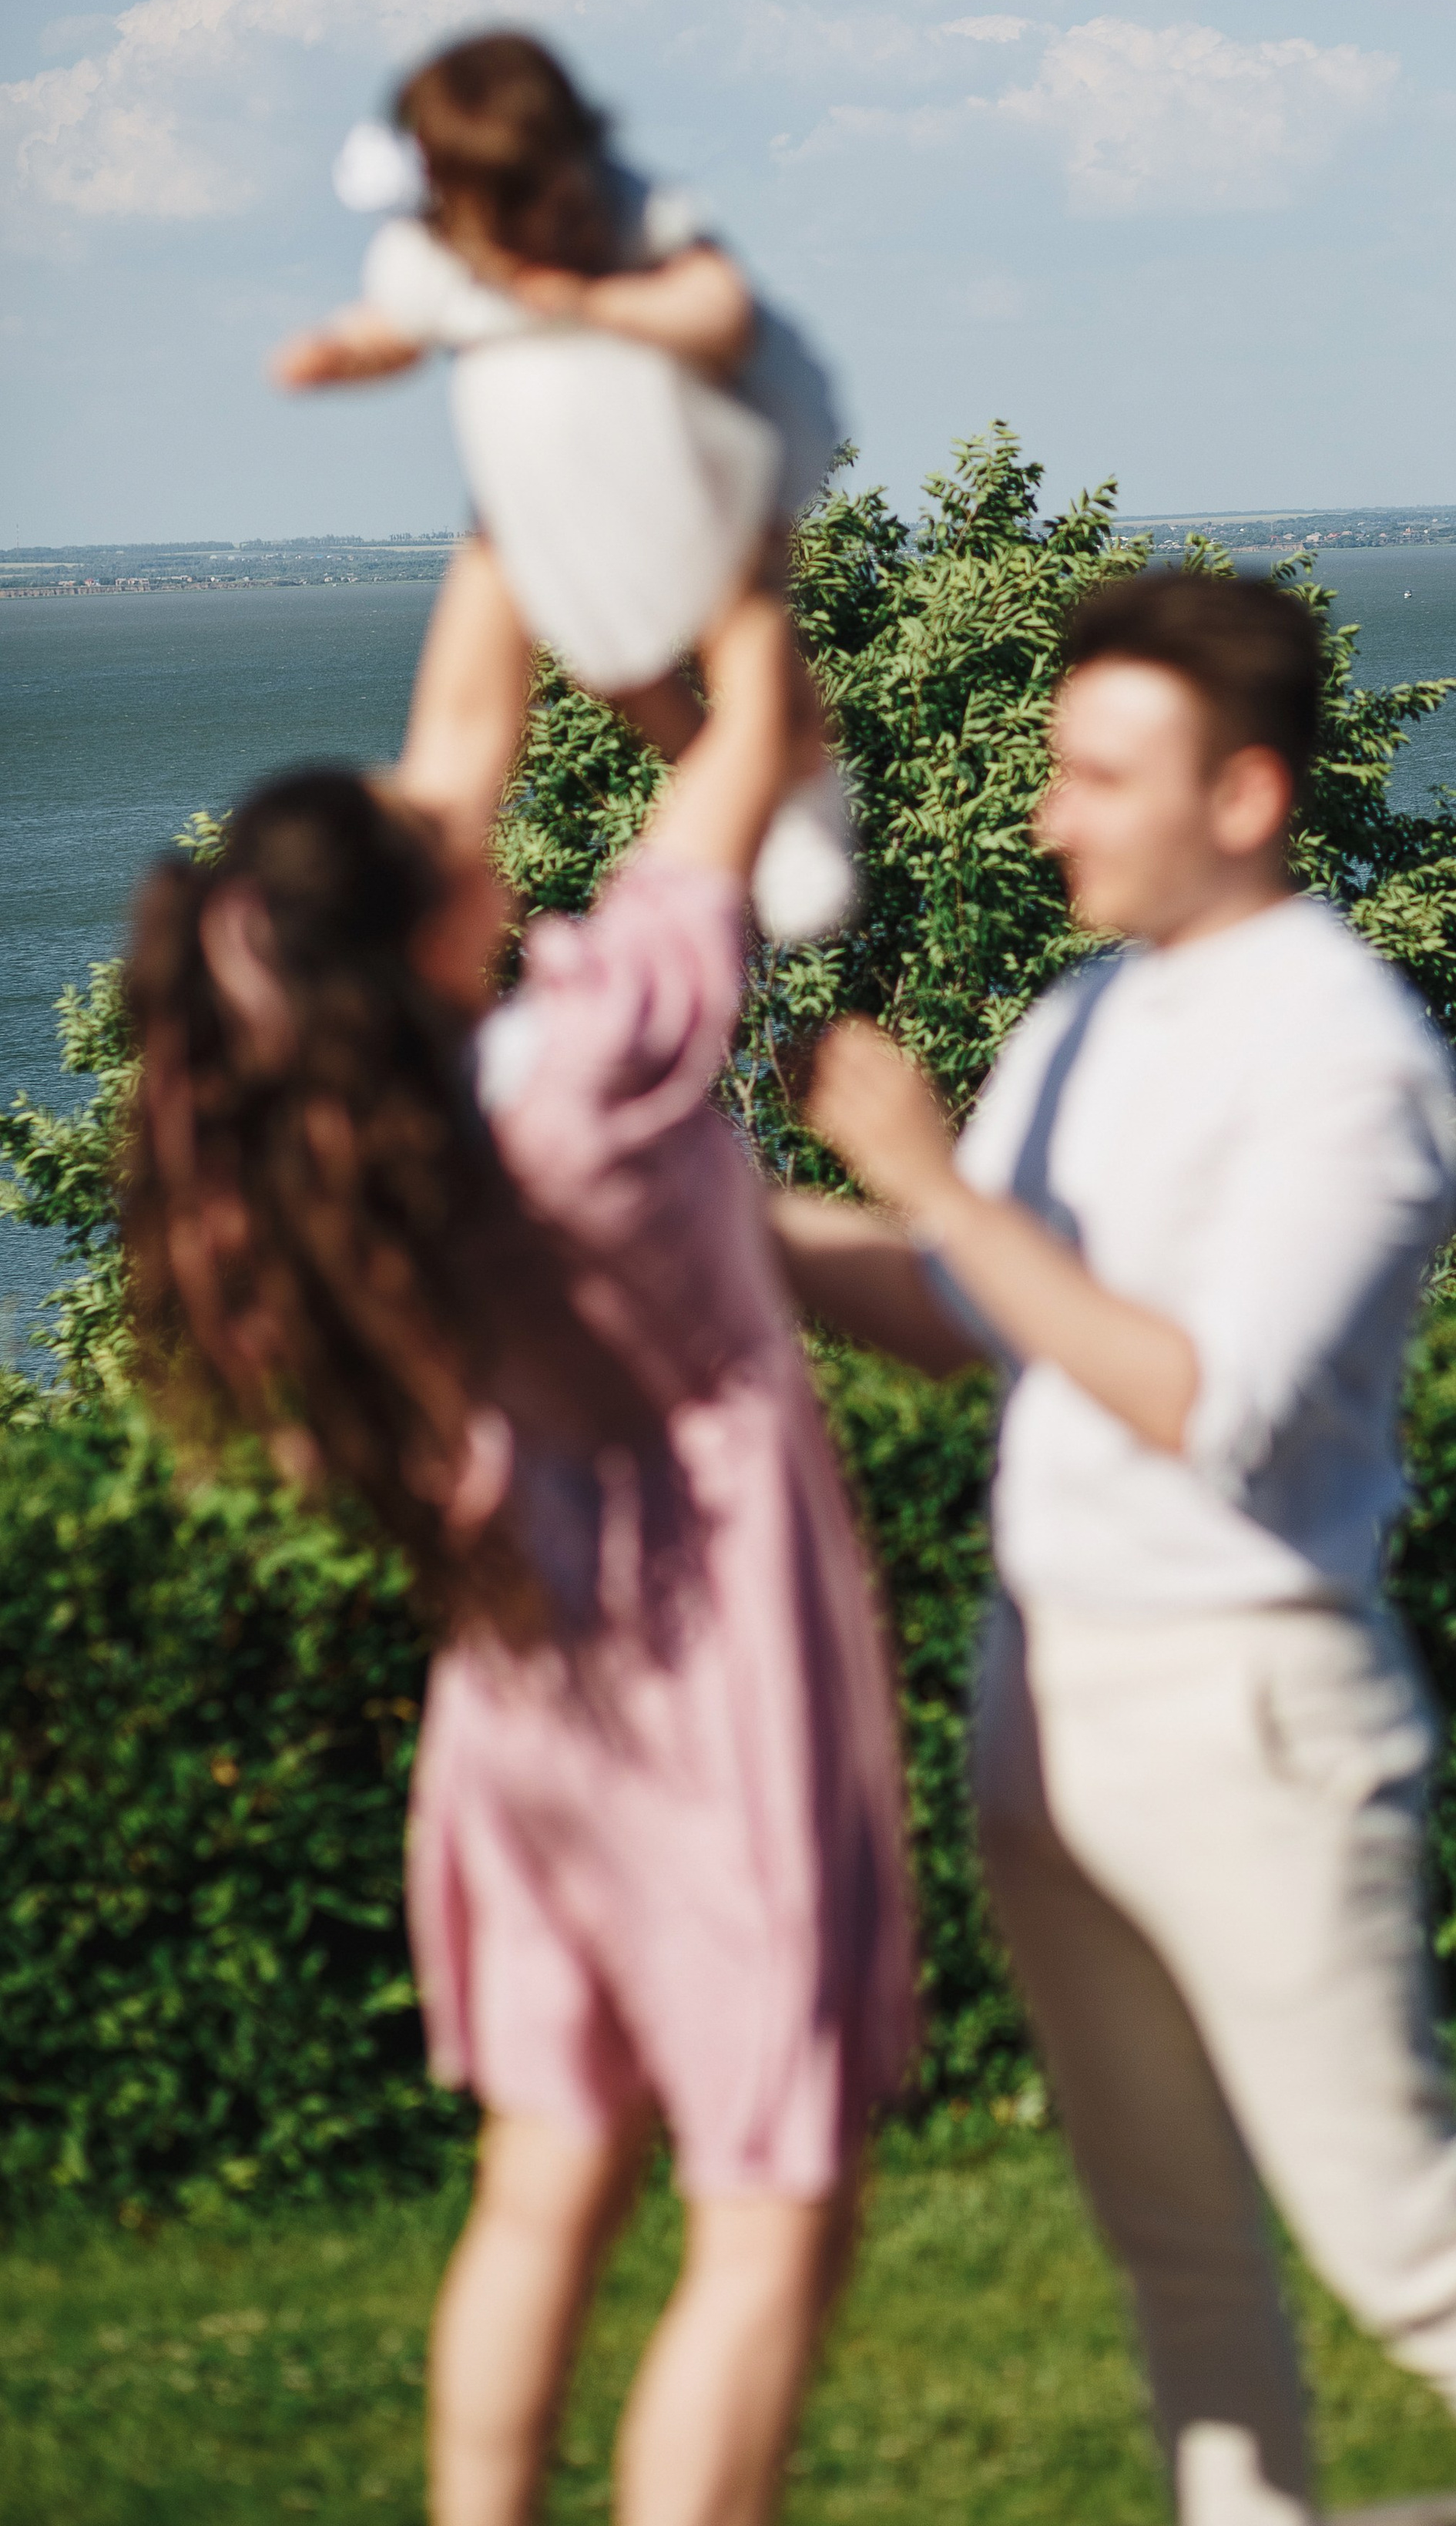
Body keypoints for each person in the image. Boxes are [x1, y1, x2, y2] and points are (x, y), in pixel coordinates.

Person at [772, 571, 1456, 2526]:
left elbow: (1215, 1402)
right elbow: (964, 1308)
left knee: (1408, 2242)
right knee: (1171, 2253)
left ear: (1247, 790)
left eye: (1097, 776)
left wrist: (928, 1172)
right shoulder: (1095, 1010)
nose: (1047, 815)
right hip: (1047, 1684)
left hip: (1246, 1708)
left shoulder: (1347, 1059)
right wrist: (700, 1209)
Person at [121, 576, 914, 2526]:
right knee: (767, 2214)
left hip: (520, 1711)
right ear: (420, 924)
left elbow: (459, 746)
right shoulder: (589, 1070)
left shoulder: (320, 1138)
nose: (461, 809)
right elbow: (754, 736)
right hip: (710, 1698)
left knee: (548, 2167)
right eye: (433, 838)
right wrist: (717, 524)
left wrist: (521, 444)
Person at [272, 30, 852, 941]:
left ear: (588, 158)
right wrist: (340, 355)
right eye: (518, 233)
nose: (553, 242)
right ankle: (734, 791)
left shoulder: (634, 211)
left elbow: (721, 311)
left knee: (739, 612)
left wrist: (592, 299)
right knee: (611, 660)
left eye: (565, 209)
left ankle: (801, 783)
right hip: (573, 476)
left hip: (704, 439)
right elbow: (402, 324)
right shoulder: (437, 256)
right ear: (452, 218)